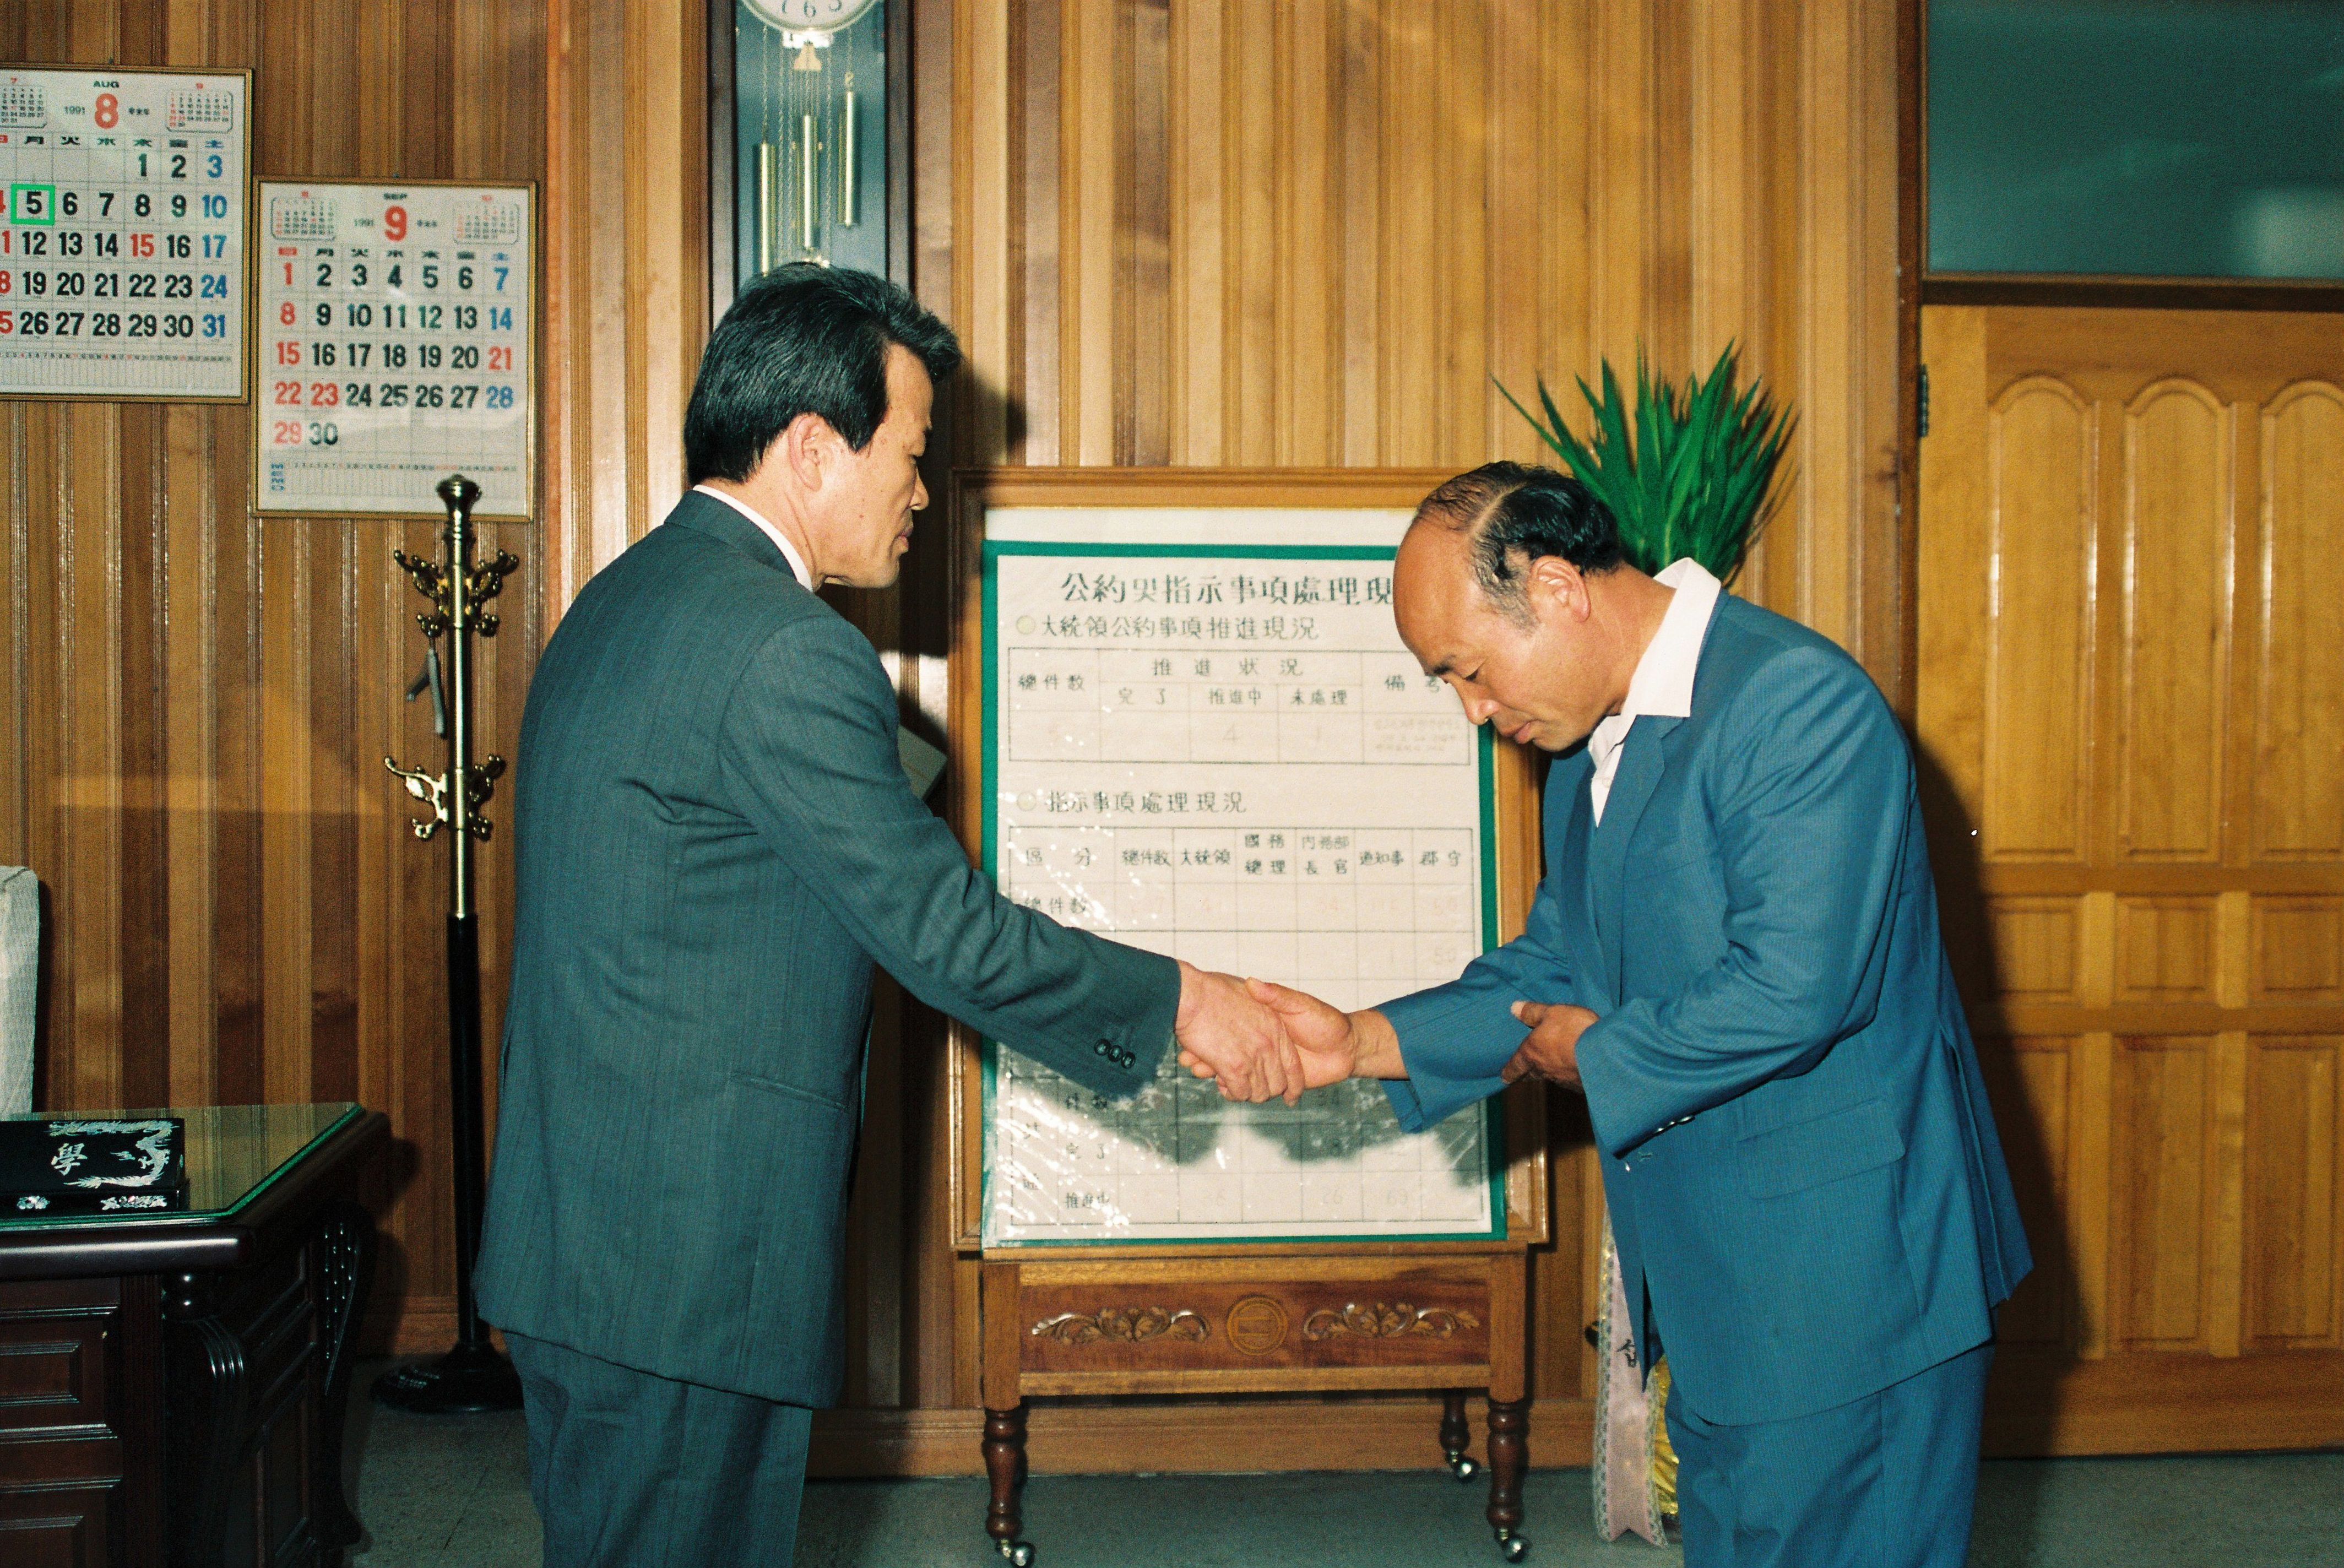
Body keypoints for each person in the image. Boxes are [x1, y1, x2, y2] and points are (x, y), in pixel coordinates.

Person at [476, 264, 1297, 1567]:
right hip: (683, 1261)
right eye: (911, 455)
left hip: (593, 1235)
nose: (922, 495)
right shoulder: (784, 648)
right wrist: (1186, 1000)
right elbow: (947, 936)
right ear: (814, 447)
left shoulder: (627, 598)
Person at [1244, 462, 2032, 1568]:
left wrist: (1599, 1053)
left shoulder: (1793, 699)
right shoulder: (1593, 747)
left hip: (1848, 1288)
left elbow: (1795, 987)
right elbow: (1553, 963)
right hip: (1727, 1283)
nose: (1474, 710)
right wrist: (1362, 1040)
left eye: (1469, 670)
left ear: (1556, 586)